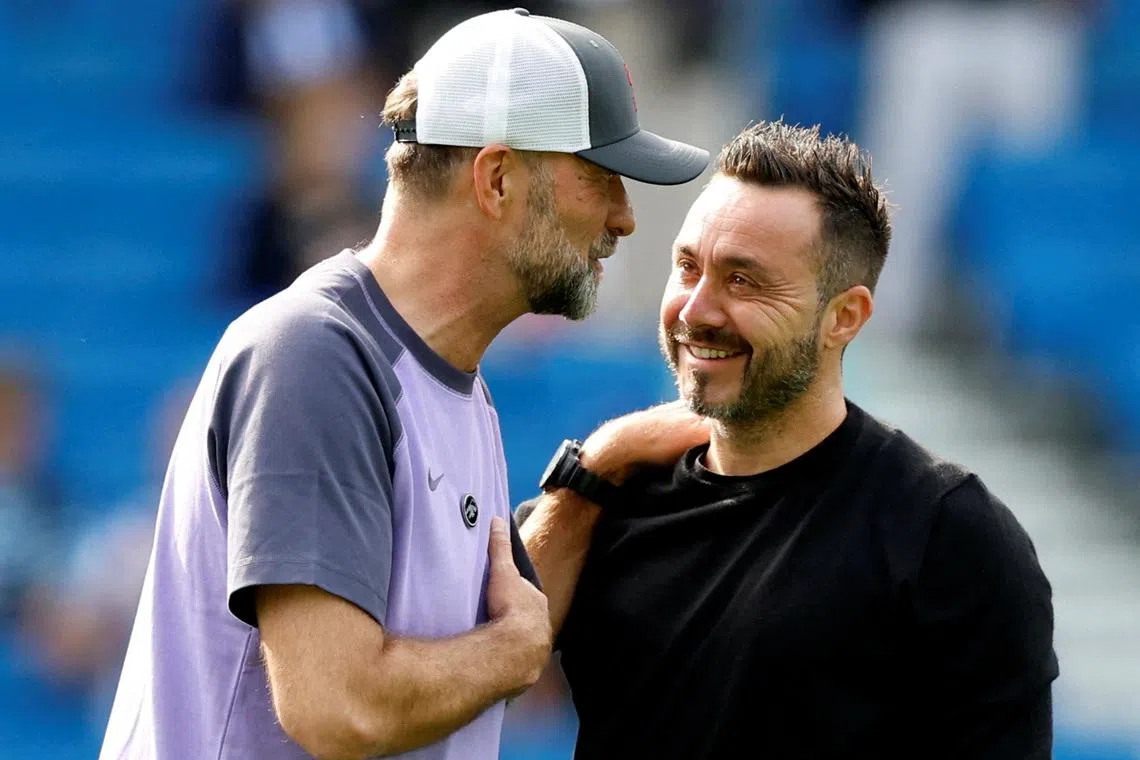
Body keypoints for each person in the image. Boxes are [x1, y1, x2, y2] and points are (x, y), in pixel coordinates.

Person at [99, 8, 709, 760]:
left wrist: (596, 472)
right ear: (497, 179)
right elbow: (337, 706)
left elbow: (469, 640)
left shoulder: (450, 381)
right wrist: (512, 655)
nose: (624, 217)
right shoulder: (316, 355)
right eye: (599, 178)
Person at [519, 121, 1059, 758]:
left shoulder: (945, 532)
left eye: (743, 281)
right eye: (688, 268)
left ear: (844, 318)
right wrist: (595, 466)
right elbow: (471, 670)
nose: (695, 310)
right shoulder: (607, 495)